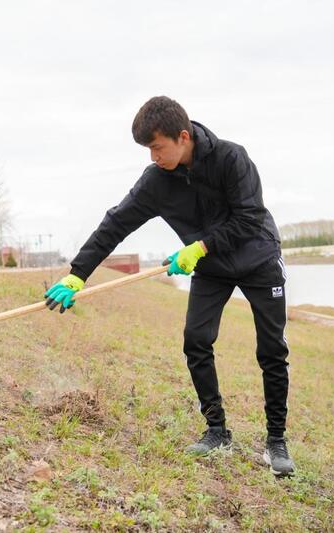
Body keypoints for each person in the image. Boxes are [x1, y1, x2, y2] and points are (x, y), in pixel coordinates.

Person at [43, 96, 294, 476]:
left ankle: (276, 440)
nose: (153, 157)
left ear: (182, 136)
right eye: (148, 150)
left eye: (157, 147)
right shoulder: (157, 182)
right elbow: (116, 223)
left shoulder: (232, 159)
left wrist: (200, 246)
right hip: (211, 266)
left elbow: (249, 217)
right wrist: (78, 273)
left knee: (271, 350)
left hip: (258, 258)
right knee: (196, 340)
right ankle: (216, 430)